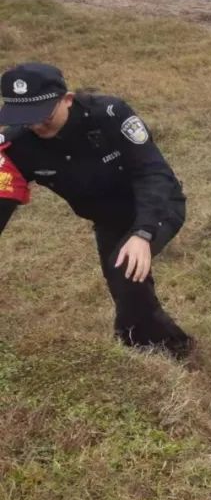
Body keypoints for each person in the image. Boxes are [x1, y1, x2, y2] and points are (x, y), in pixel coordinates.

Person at [0, 63, 193, 358]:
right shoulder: (18, 144)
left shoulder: (110, 115)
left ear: (67, 99)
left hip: (157, 205)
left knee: (125, 271)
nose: (37, 126)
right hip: (107, 218)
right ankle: (167, 346)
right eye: (26, 119)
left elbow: (152, 173)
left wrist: (143, 232)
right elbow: (4, 197)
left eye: (44, 116)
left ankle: (141, 350)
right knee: (125, 287)